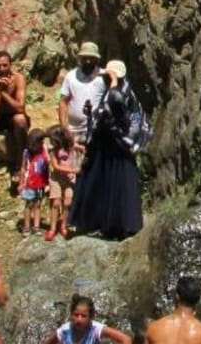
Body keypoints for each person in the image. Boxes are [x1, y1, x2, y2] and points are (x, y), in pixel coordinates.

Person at [69, 60, 143, 239]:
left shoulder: (121, 91)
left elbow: (117, 108)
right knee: (102, 184)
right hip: (106, 147)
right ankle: (101, 223)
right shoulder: (112, 91)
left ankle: (120, 225)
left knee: (119, 185)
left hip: (119, 147)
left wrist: (114, 82)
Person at [0, 50, 29, 191]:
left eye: (5, 65)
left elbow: (20, 107)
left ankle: (20, 163)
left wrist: (3, 92)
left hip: (12, 116)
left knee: (20, 120)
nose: (1, 69)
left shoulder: (18, 79)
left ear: (11, 65)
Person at [58, 41, 105, 144]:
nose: (88, 61)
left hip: (95, 131)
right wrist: (64, 127)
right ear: (80, 59)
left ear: (97, 60)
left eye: (91, 58)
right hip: (73, 131)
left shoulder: (103, 78)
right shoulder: (71, 76)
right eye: (85, 58)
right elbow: (63, 102)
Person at [46, 126, 83, 241]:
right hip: (56, 178)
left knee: (68, 201)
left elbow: (82, 149)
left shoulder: (71, 147)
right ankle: (52, 228)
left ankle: (63, 224)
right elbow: (56, 166)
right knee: (56, 202)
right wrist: (73, 170)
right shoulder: (53, 151)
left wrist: (81, 163)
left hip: (68, 179)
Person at [19, 128, 49, 237]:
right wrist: (21, 183)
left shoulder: (44, 149)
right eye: (40, 141)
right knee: (28, 204)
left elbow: (48, 163)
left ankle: (36, 226)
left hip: (41, 182)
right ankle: (27, 226)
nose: (42, 143)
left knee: (38, 204)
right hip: (29, 183)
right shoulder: (26, 152)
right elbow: (23, 167)